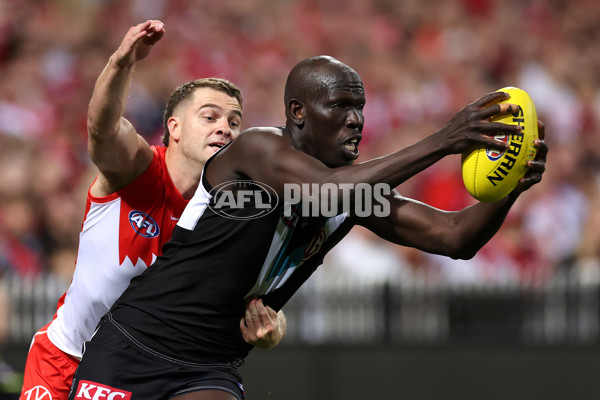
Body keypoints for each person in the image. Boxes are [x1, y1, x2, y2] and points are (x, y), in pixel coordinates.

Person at [69, 55, 548, 400]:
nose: (356, 120)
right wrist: (445, 140)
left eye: (360, 107)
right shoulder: (257, 149)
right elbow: (324, 191)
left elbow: (454, 237)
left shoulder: (353, 193)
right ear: (298, 113)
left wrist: (513, 184)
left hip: (210, 366)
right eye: (340, 106)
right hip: (135, 345)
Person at [20, 20, 286, 400]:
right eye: (210, 117)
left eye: (234, 122)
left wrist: (272, 327)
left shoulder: (236, 208)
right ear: (174, 128)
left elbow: (256, 293)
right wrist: (121, 63)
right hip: (67, 360)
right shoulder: (138, 171)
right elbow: (102, 130)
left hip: (155, 369)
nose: (225, 129)